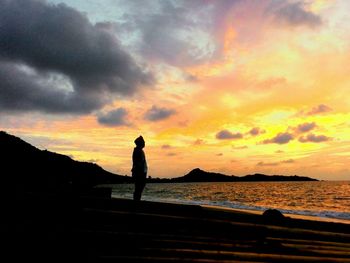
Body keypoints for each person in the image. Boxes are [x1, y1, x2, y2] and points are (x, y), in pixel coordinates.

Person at [131, 135, 148, 201]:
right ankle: (136, 201)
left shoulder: (139, 151)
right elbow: (137, 163)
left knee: (139, 188)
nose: (144, 143)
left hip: (141, 172)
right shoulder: (137, 151)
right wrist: (140, 172)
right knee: (138, 188)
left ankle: (137, 200)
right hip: (139, 172)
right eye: (143, 142)